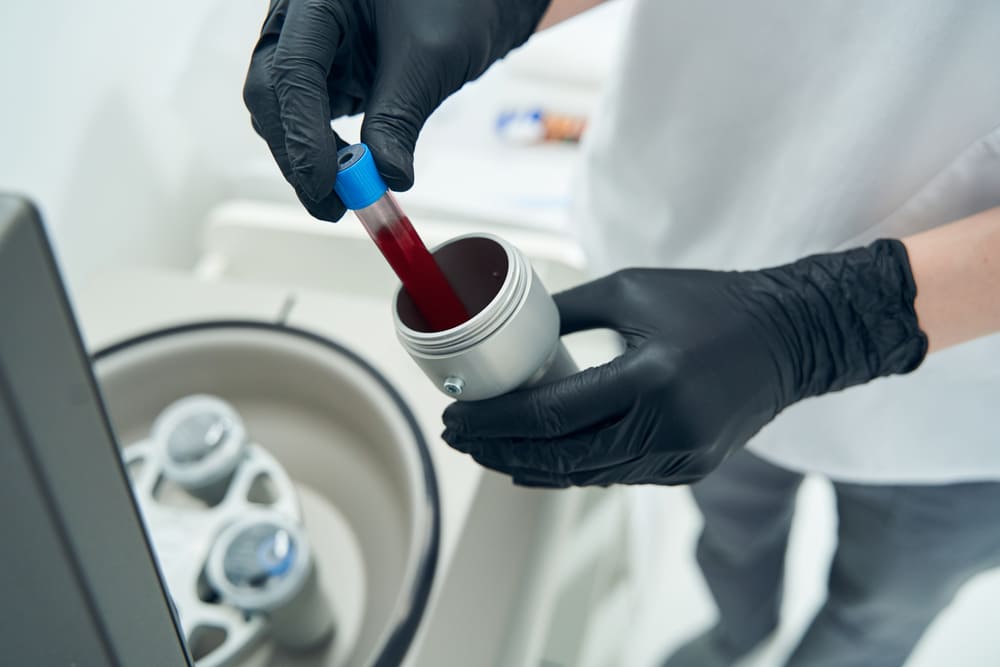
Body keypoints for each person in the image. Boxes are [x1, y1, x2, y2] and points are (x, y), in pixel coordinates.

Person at [244, 1, 1000, 664]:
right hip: (704, 275)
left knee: (882, 605)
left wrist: (842, 321)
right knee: (732, 534)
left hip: (958, 401)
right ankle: (738, 634)